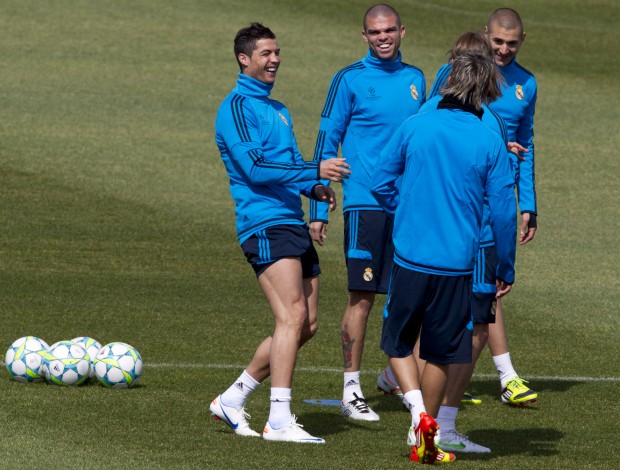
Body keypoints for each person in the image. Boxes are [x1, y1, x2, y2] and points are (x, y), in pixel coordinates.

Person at [370, 52, 517, 464]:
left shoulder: (416, 125)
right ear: (486, 90)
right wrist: (505, 265)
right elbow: (504, 211)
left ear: (449, 83)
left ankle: (419, 418)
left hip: (411, 258)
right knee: (440, 351)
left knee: (397, 343)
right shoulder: (488, 138)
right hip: (459, 264)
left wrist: (408, 211)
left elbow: (380, 181)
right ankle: (426, 432)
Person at [210, 22, 350, 444]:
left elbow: (286, 164)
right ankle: (279, 419)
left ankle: (233, 398)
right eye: (266, 53)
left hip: (290, 221)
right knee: (289, 316)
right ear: (244, 58)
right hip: (264, 222)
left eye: (277, 52)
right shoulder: (236, 107)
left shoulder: (278, 108)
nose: (275, 59)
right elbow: (254, 169)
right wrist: (314, 169)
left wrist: (314, 187)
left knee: (306, 325)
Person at [309, 3, 426, 422]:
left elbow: (425, 135)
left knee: (408, 298)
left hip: (407, 206)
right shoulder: (349, 79)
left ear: (401, 32)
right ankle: (350, 389)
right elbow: (327, 139)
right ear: (364, 36)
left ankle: (396, 379)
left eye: (389, 30)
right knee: (362, 298)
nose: (383, 37)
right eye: (375, 32)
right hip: (364, 204)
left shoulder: (416, 79)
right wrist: (318, 205)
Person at [427, 8, 538, 409]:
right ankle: (496, 376)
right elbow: (430, 122)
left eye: (512, 43)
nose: (504, 50)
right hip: (459, 195)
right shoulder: (453, 72)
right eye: (497, 42)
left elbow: (526, 145)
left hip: (496, 198)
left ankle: (502, 375)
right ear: (485, 36)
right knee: (454, 286)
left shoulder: (527, 84)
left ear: (522, 40)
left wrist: (529, 204)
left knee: (485, 287)